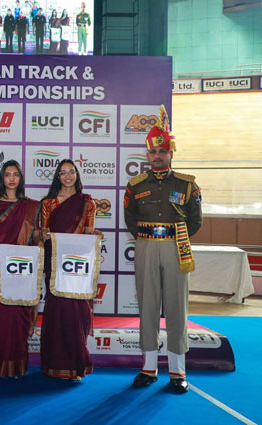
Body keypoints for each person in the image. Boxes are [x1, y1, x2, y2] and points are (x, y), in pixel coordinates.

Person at [124, 105, 202, 394]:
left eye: (163, 152)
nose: (158, 156)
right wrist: (147, 238)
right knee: (147, 306)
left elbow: (195, 221)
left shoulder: (187, 185)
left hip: (176, 247)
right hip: (145, 246)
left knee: (176, 308)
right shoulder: (135, 185)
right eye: (153, 152)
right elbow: (130, 219)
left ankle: (178, 370)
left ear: (171, 153)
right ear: (147, 155)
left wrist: (172, 236)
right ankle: (147, 367)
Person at [39, 159, 101, 380]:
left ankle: (76, 364)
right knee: (57, 310)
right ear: (57, 176)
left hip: (76, 265)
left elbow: (88, 232)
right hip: (55, 263)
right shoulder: (48, 204)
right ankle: (54, 364)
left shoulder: (87, 203)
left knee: (77, 310)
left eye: (71, 172)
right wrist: (45, 236)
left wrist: (95, 236)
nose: (67, 176)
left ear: (77, 175)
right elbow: (43, 233)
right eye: (63, 172)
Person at [0, 160, 40, 378]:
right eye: (7, 174)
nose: (12, 178)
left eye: (15, 174)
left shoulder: (31, 206)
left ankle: (16, 364)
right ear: (2, 178)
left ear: (20, 178)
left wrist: (45, 239)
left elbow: (37, 237)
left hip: (23, 268)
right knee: (1, 313)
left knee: (18, 312)